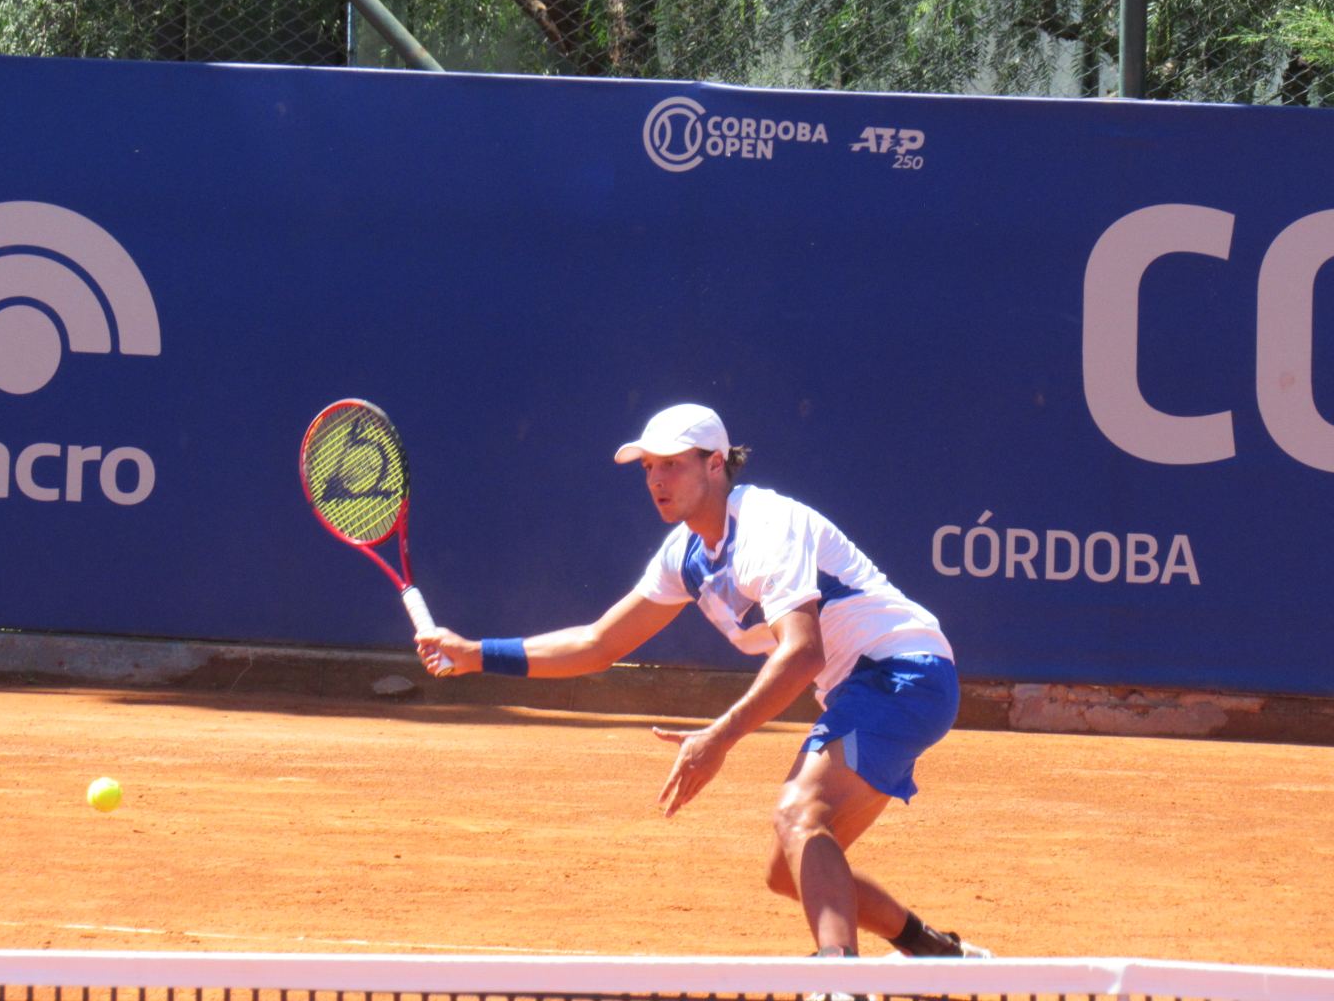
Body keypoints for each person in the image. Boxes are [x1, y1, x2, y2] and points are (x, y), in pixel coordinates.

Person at [415, 403, 989, 960]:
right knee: (791, 868)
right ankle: (935, 951)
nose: (655, 480)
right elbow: (599, 643)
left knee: (800, 812)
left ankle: (836, 978)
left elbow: (802, 653)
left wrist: (719, 737)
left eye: (671, 464)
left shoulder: (767, 525)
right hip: (865, 690)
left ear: (716, 464)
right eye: (648, 467)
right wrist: (475, 655)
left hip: (901, 673)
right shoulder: (685, 555)